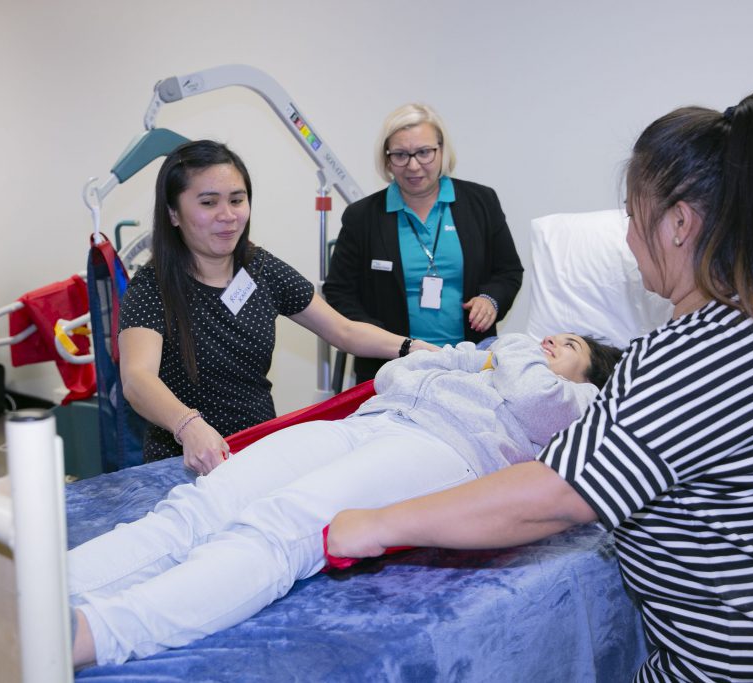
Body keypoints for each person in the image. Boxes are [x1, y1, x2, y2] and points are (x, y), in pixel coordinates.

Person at [329, 91, 753, 681]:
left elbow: (553, 498)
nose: (627, 240)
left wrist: (379, 523)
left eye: (633, 218)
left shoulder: (692, 357)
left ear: (679, 224)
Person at [69, 331, 624, 666]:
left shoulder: (579, 399)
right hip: (372, 421)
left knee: (281, 528)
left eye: (568, 345)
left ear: (590, 371)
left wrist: (512, 350)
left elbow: (532, 395)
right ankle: (46, 587)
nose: (549, 341)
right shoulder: (496, 362)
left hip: (440, 448)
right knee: (201, 505)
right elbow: (395, 374)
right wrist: (478, 359)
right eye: (550, 335)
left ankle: (99, 633)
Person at [119, 140, 439, 468]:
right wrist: (188, 426)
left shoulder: (260, 267)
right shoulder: (152, 286)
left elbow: (342, 330)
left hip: (258, 451)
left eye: (237, 200)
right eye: (209, 202)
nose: (227, 216)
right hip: (183, 462)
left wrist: (412, 348)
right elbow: (137, 377)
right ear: (173, 213)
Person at [322, 103, 524, 384]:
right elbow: (339, 292)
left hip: (471, 362)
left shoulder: (480, 202)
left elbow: (509, 271)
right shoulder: (363, 217)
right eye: (401, 155)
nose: (413, 165)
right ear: (387, 158)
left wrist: (491, 299)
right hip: (391, 368)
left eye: (424, 153)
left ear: (442, 151)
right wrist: (382, 339)